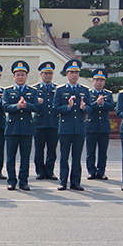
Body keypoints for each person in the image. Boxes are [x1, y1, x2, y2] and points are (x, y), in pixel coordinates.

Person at [53, 59, 91, 191]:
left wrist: (84, 107)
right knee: (64, 156)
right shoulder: (60, 90)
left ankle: (75, 182)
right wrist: (67, 107)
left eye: (76, 72)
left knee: (77, 157)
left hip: (79, 128)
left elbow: (90, 109)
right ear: (67, 74)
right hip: (65, 128)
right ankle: (62, 181)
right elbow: (55, 108)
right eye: (71, 72)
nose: (74, 75)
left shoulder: (85, 90)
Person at [2, 61, 38, 191]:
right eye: (18, 75)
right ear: (13, 77)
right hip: (12, 129)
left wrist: (26, 105)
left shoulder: (32, 91)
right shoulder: (7, 91)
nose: (20, 77)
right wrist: (17, 106)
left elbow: (36, 107)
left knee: (25, 157)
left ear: (26, 76)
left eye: (22, 74)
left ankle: (24, 181)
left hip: (27, 129)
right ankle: (11, 180)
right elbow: (5, 107)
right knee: (11, 157)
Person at [85, 69, 115, 180]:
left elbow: (112, 107)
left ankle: (101, 171)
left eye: (102, 80)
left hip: (104, 126)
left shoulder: (108, 94)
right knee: (90, 151)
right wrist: (96, 103)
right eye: (97, 80)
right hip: (91, 126)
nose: (99, 82)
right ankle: (91, 171)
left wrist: (103, 104)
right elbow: (87, 109)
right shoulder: (88, 93)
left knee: (103, 151)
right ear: (93, 81)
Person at [33, 61, 59, 180]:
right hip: (39, 123)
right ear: (41, 74)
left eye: (50, 73)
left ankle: (49, 170)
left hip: (53, 123)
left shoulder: (57, 89)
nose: (48, 76)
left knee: (52, 149)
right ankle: (40, 171)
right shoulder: (34, 89)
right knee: (39, 149)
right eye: (45, 73)